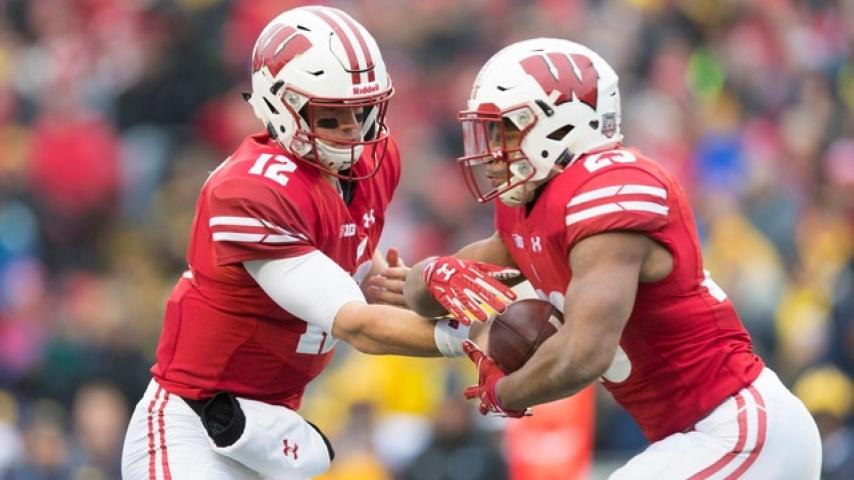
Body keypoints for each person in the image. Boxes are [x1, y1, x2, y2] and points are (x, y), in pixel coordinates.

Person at [403, 38, 823, 479]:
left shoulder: (607, 194)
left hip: (739, 428)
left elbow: (583, 355)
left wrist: (502, 394)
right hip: (699, 435)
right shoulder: (530, 211)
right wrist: (428, 275)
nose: (491, 149)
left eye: (505, 129)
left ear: (562, 124)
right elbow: (430, 294)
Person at [120, 6, 494, 480]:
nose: (354, 130)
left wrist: (402, 283)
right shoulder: (251, 190)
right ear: (280, 106)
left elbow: (350, 254)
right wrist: (472, 339)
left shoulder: (373, 160)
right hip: (192, 428)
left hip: (273, 428)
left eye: (362, 111)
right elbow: (356, 325)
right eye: (332, 115)